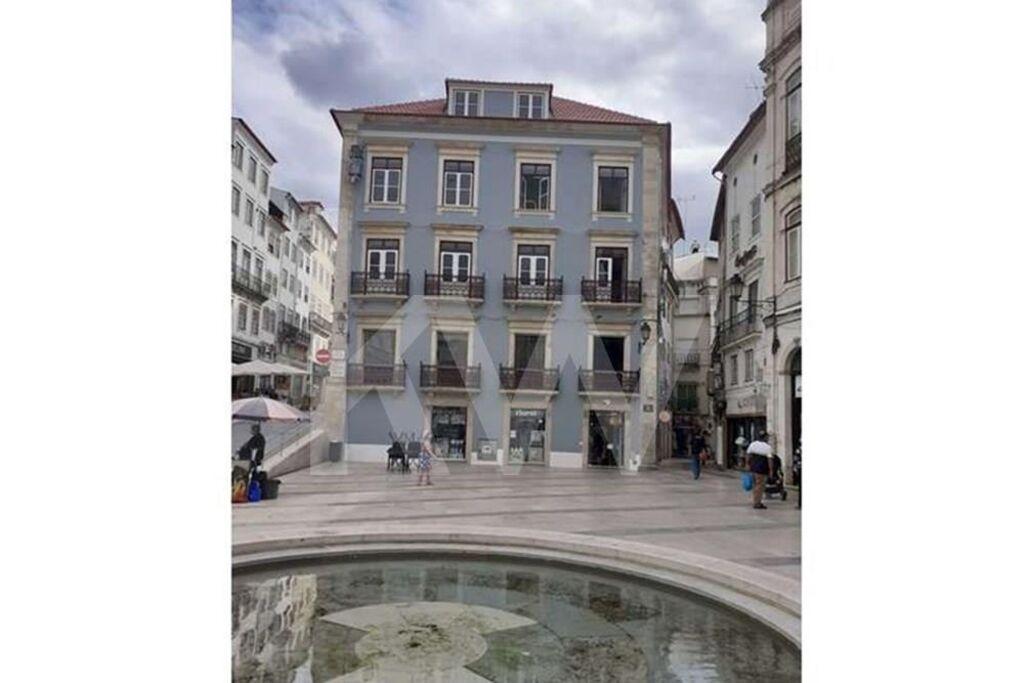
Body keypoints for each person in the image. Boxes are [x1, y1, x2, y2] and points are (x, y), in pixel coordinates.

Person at [746, 431, 772, 509]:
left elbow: (748, 455)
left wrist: (747, 465)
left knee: (755, 486)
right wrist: (771, 470)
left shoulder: (753, 444)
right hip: (762, 469)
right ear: (765, 437)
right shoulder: (767, 447)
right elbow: (770, 460)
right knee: (760, 486)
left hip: (753, 468)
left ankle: (756, 501)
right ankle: (757, 503)